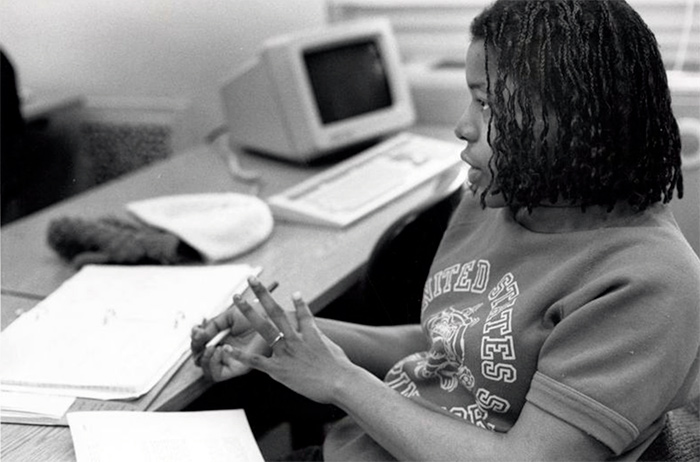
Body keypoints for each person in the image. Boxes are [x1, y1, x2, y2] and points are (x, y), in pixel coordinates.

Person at [191, 0, 700, 460]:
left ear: (574, 121)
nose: (463, 125)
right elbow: (456, 347)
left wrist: (340, 381)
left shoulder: (649, 282)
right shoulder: (497, 199)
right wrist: (289, 332)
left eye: (488, 104)